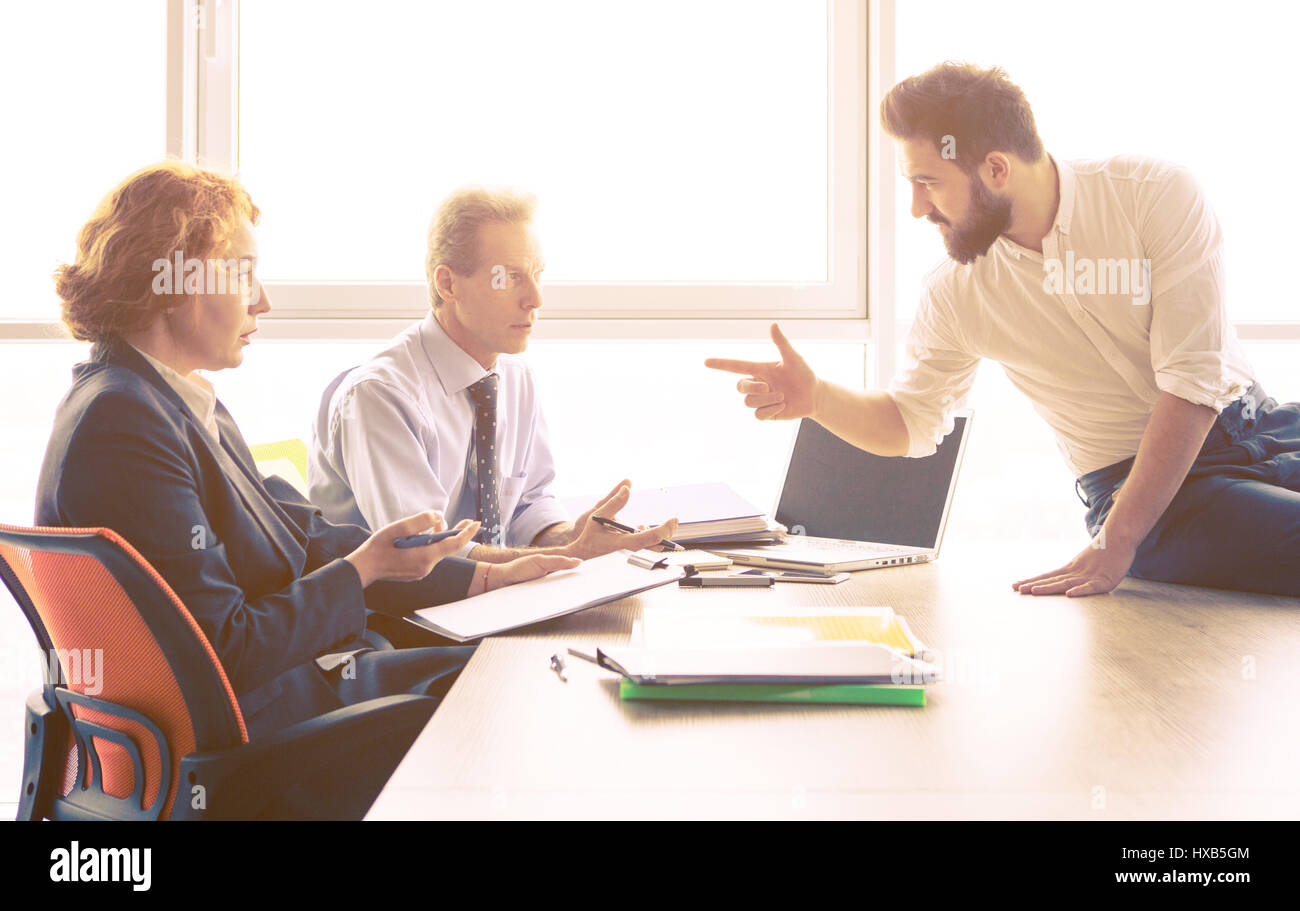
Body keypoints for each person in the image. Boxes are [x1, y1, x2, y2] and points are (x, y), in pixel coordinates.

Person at [707, 62, 1299, 599]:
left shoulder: (1153, 196)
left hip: (1262, 425)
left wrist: (1114, 546)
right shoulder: (956, 292)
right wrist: (818, 399)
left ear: (995, 168)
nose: (917, 208)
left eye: (929, 182)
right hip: (1149, 498)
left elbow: (1194, 379)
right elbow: (912, 424)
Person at [37, 162, 579, 739]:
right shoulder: (122, 424)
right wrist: (359, 572)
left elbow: (306, 535)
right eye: (242, 274)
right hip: (259, 735)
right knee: (508, 690)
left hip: (296, 691)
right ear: (173, 283)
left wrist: (491, 575)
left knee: (511, 672)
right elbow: (224, 651)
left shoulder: (172, 403)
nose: (262, 301)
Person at [308, 187, 676, 563]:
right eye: (511, 277)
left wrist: (571, 536)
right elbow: (424, 554)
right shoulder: (380, 395)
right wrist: (567, 555)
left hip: (488, 606)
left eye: (537, 275)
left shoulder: (515, 379)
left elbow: (526, 508)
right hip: (391, 616)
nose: (535, 298)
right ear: (448, 284)